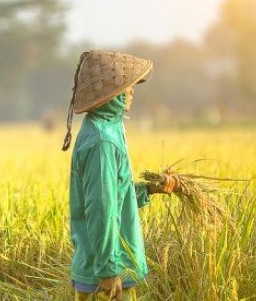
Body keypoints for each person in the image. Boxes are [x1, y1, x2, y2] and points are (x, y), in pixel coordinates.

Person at [61, 50, 177, 301]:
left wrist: (149, 189)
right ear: (110, 96)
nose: (132, 91)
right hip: (106, 277)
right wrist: (108, 269)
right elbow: (100, 207)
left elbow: (115, 197)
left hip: (110, 267)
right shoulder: (102, 142)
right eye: (127, 87)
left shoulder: (106, 130)